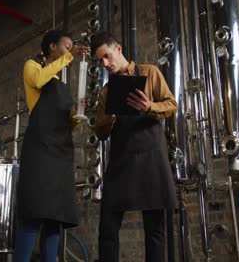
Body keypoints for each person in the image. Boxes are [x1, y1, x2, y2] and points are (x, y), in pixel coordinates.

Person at [90, 31, 178, 261]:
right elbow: (100, 134)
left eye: (107, 56)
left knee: (155, 232)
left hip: (151, 158)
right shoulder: (106, 92)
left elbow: (171, 105)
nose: (105, 64)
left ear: (118, 49)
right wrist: (108, 120)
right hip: (121, 161)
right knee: (107, 230)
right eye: (100, 61)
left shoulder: (149, 72)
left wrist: (149, 107)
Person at [15, 30, 90, 262]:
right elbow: (39, 80)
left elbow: (66, 125)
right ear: (51, 47)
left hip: (61, 155)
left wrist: (77, 114)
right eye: (66, 45)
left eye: (70, 47)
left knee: (54, 219)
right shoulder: (32, 68)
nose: (70, 49)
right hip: (40, 152)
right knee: (33, 215)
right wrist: (68, 58)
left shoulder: (63, 86)